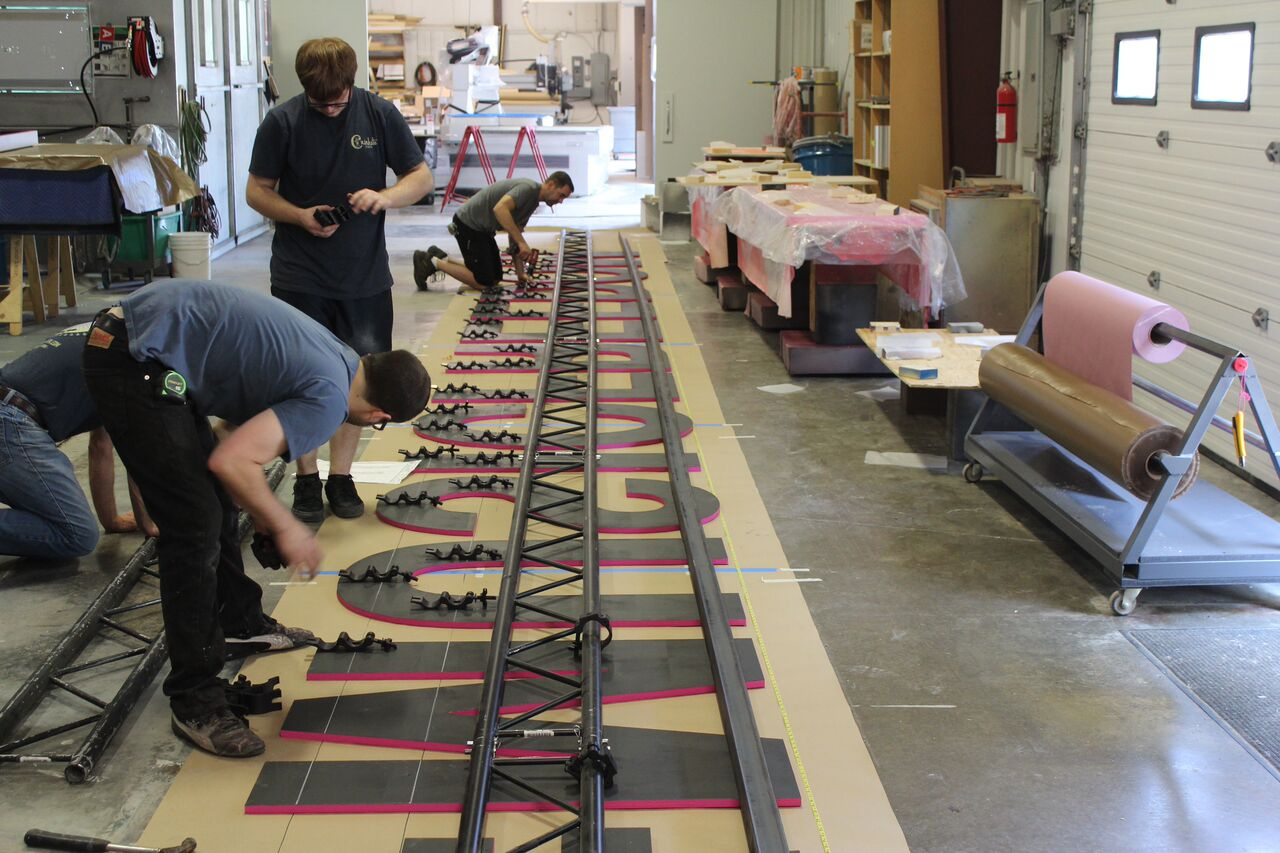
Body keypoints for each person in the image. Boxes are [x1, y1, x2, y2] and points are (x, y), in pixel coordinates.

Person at [82, 281, 431, 758]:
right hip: (134, 354)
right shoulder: (329, 399)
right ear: (378, 415)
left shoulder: (339, 357)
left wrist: (262, 513)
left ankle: (241, 622)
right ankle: (195, 701)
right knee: (195, 526)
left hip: (148, 338)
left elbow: (231, 439)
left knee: (216, 505)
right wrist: (285, 525)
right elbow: (233, 461)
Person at [246, 36, 433, 523]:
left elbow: (420, 177)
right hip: (299, 275)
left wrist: (385, 197)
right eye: (319, 102)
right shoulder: (281, 121)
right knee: (299, 379)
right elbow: (256, 191)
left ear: (353, 83)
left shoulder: (378, 114)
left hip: (364, 276)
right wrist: (298, 215)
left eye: (337, 100)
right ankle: (306, 478)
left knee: (361, 378)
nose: (329, 109)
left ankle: (341, 476)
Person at [0, 325, 155, 560]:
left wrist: (111, 521)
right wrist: (150, 525)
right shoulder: (140, 356)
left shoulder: (107, 331)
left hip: (9, 411)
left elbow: (101, 445)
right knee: (76, 534)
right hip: (11, 419)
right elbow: (137, 450)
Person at [414, 172, 575, 292]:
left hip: (482, 230)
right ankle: (432, 262)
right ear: (551, 185)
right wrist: (521, 242)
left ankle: (444, 257)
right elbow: (500, 209)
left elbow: (515, 232)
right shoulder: (528, 189)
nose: (560, 201)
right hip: (467, 225)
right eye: (561, 195)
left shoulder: (532, 201)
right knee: (484, 282)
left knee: (495, 277)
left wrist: (520, 274)